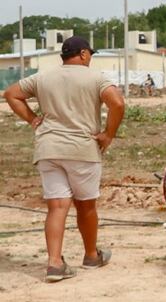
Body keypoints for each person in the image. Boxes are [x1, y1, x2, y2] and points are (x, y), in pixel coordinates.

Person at [3, 36, 125, 282]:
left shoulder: (44, 76)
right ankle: (91, 255)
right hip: (82, 149)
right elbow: (118, 103)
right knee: (86, 205)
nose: (90, 58)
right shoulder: (96, 77)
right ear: (82, 54)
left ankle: (54, 263)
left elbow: (11, 94)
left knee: (57, 206)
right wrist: (108, 135)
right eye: (89, 53)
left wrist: (33, 119)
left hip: (49, 148)